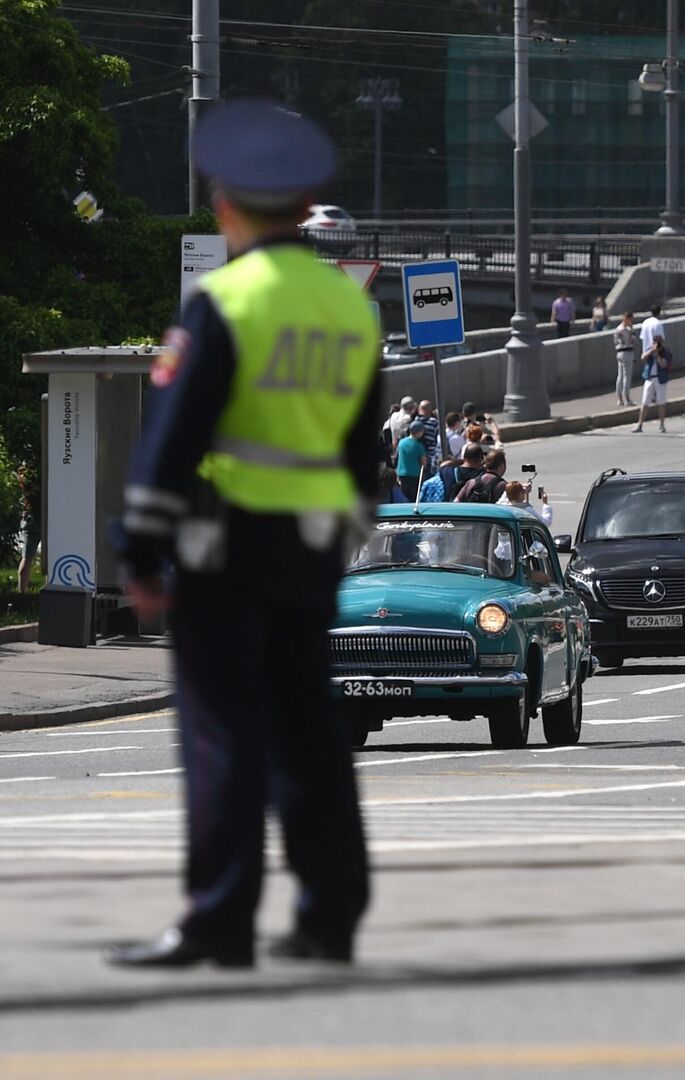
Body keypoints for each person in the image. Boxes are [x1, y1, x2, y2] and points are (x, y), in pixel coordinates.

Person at [105, 100, 375, 970]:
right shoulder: (349, 309)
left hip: (222, 551)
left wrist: (141, 552)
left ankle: (221, 919)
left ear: (225, 206)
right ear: (304, 207)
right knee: (310, 730)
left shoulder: (224, 301)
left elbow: (172, 442)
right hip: (312, 548)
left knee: (223, 729)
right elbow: (364, 455)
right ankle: (329, 914)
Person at [632, 305, 670, 431]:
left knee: (661, 401)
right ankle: (640, 424)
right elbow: (643, 356)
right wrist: (651, 351)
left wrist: (657, 353)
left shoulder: (665, 353)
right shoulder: (657, 324)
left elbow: (664, 364)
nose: (656, 342)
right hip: (649, 376)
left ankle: (662, 425)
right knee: (645, 401)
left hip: (660, 377)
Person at [395, 420, 428, 499]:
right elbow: (424, 463)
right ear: (419, 432)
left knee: (404, 496)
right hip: (414, 475)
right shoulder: (419, 446)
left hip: (402, 474)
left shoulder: (401, 442)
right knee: (413, 498)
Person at [612, 312, 637, 406]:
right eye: (631, 319)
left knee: (620, 376)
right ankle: (627, 398)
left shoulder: (617, 329)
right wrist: (632, 329)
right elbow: (632, 340)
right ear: (628, 319)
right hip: (627, 352)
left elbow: (615, 341)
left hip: (619, 353)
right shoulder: (627, 330)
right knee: (627, 376)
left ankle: (619, 399)